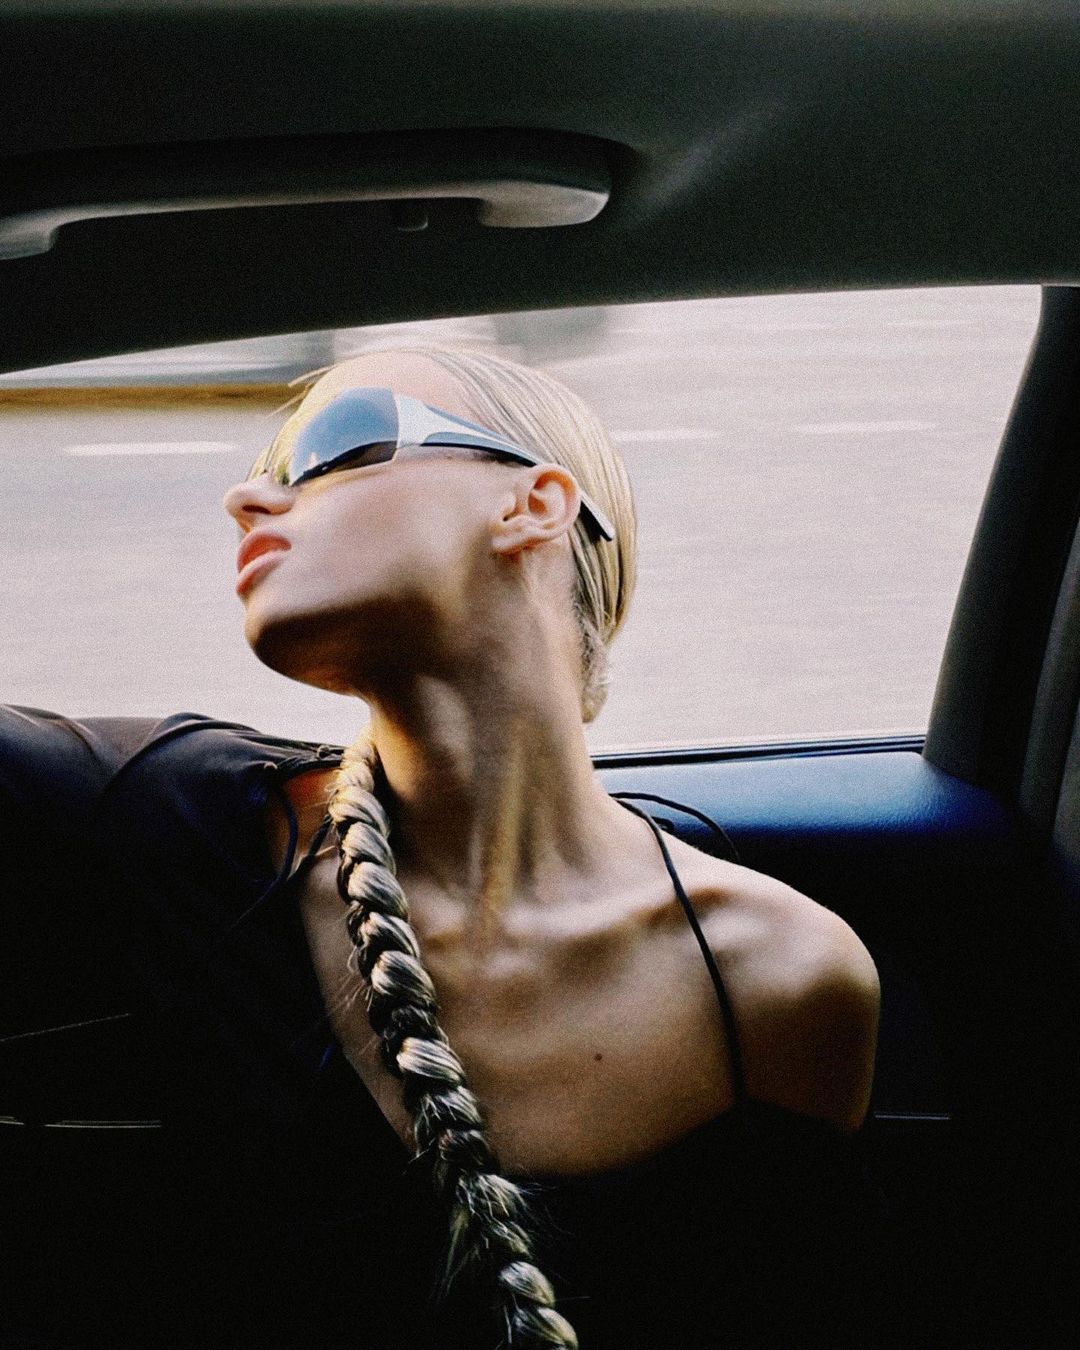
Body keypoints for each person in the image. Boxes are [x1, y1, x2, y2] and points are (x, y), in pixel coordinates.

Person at [1, 345, 900, 1350]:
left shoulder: (781, 980)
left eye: (336, 445)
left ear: (532, 504)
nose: (247, 499)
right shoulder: (183, 819)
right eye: (264, 472)